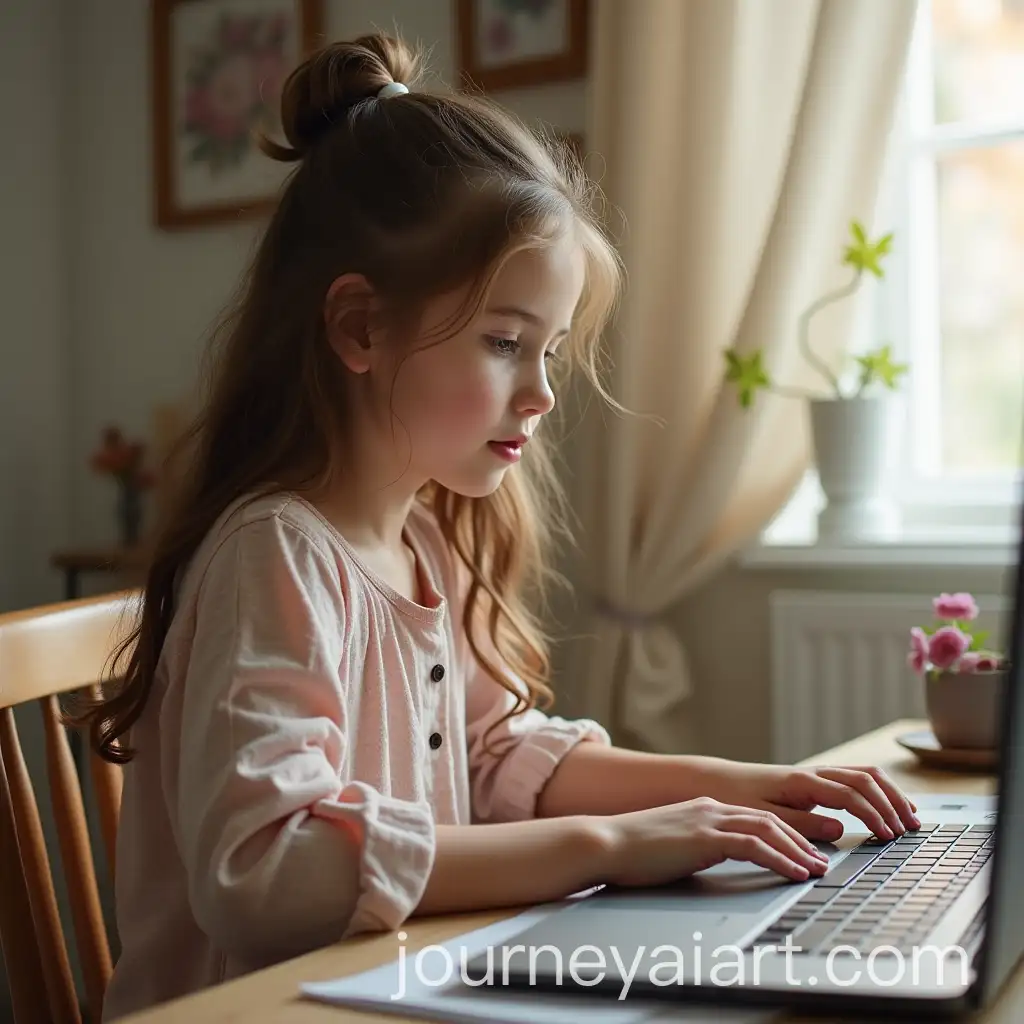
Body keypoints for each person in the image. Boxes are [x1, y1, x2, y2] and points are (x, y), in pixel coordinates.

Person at [77, 33, 920, 1021]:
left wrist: (748, 786)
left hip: (397, 984)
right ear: (358, 329)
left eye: (550, 349)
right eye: (504, 342)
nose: (542, 392)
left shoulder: (423, 536)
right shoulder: (278, 554)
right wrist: (606, 848)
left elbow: (496, 755)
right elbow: (263, 872)